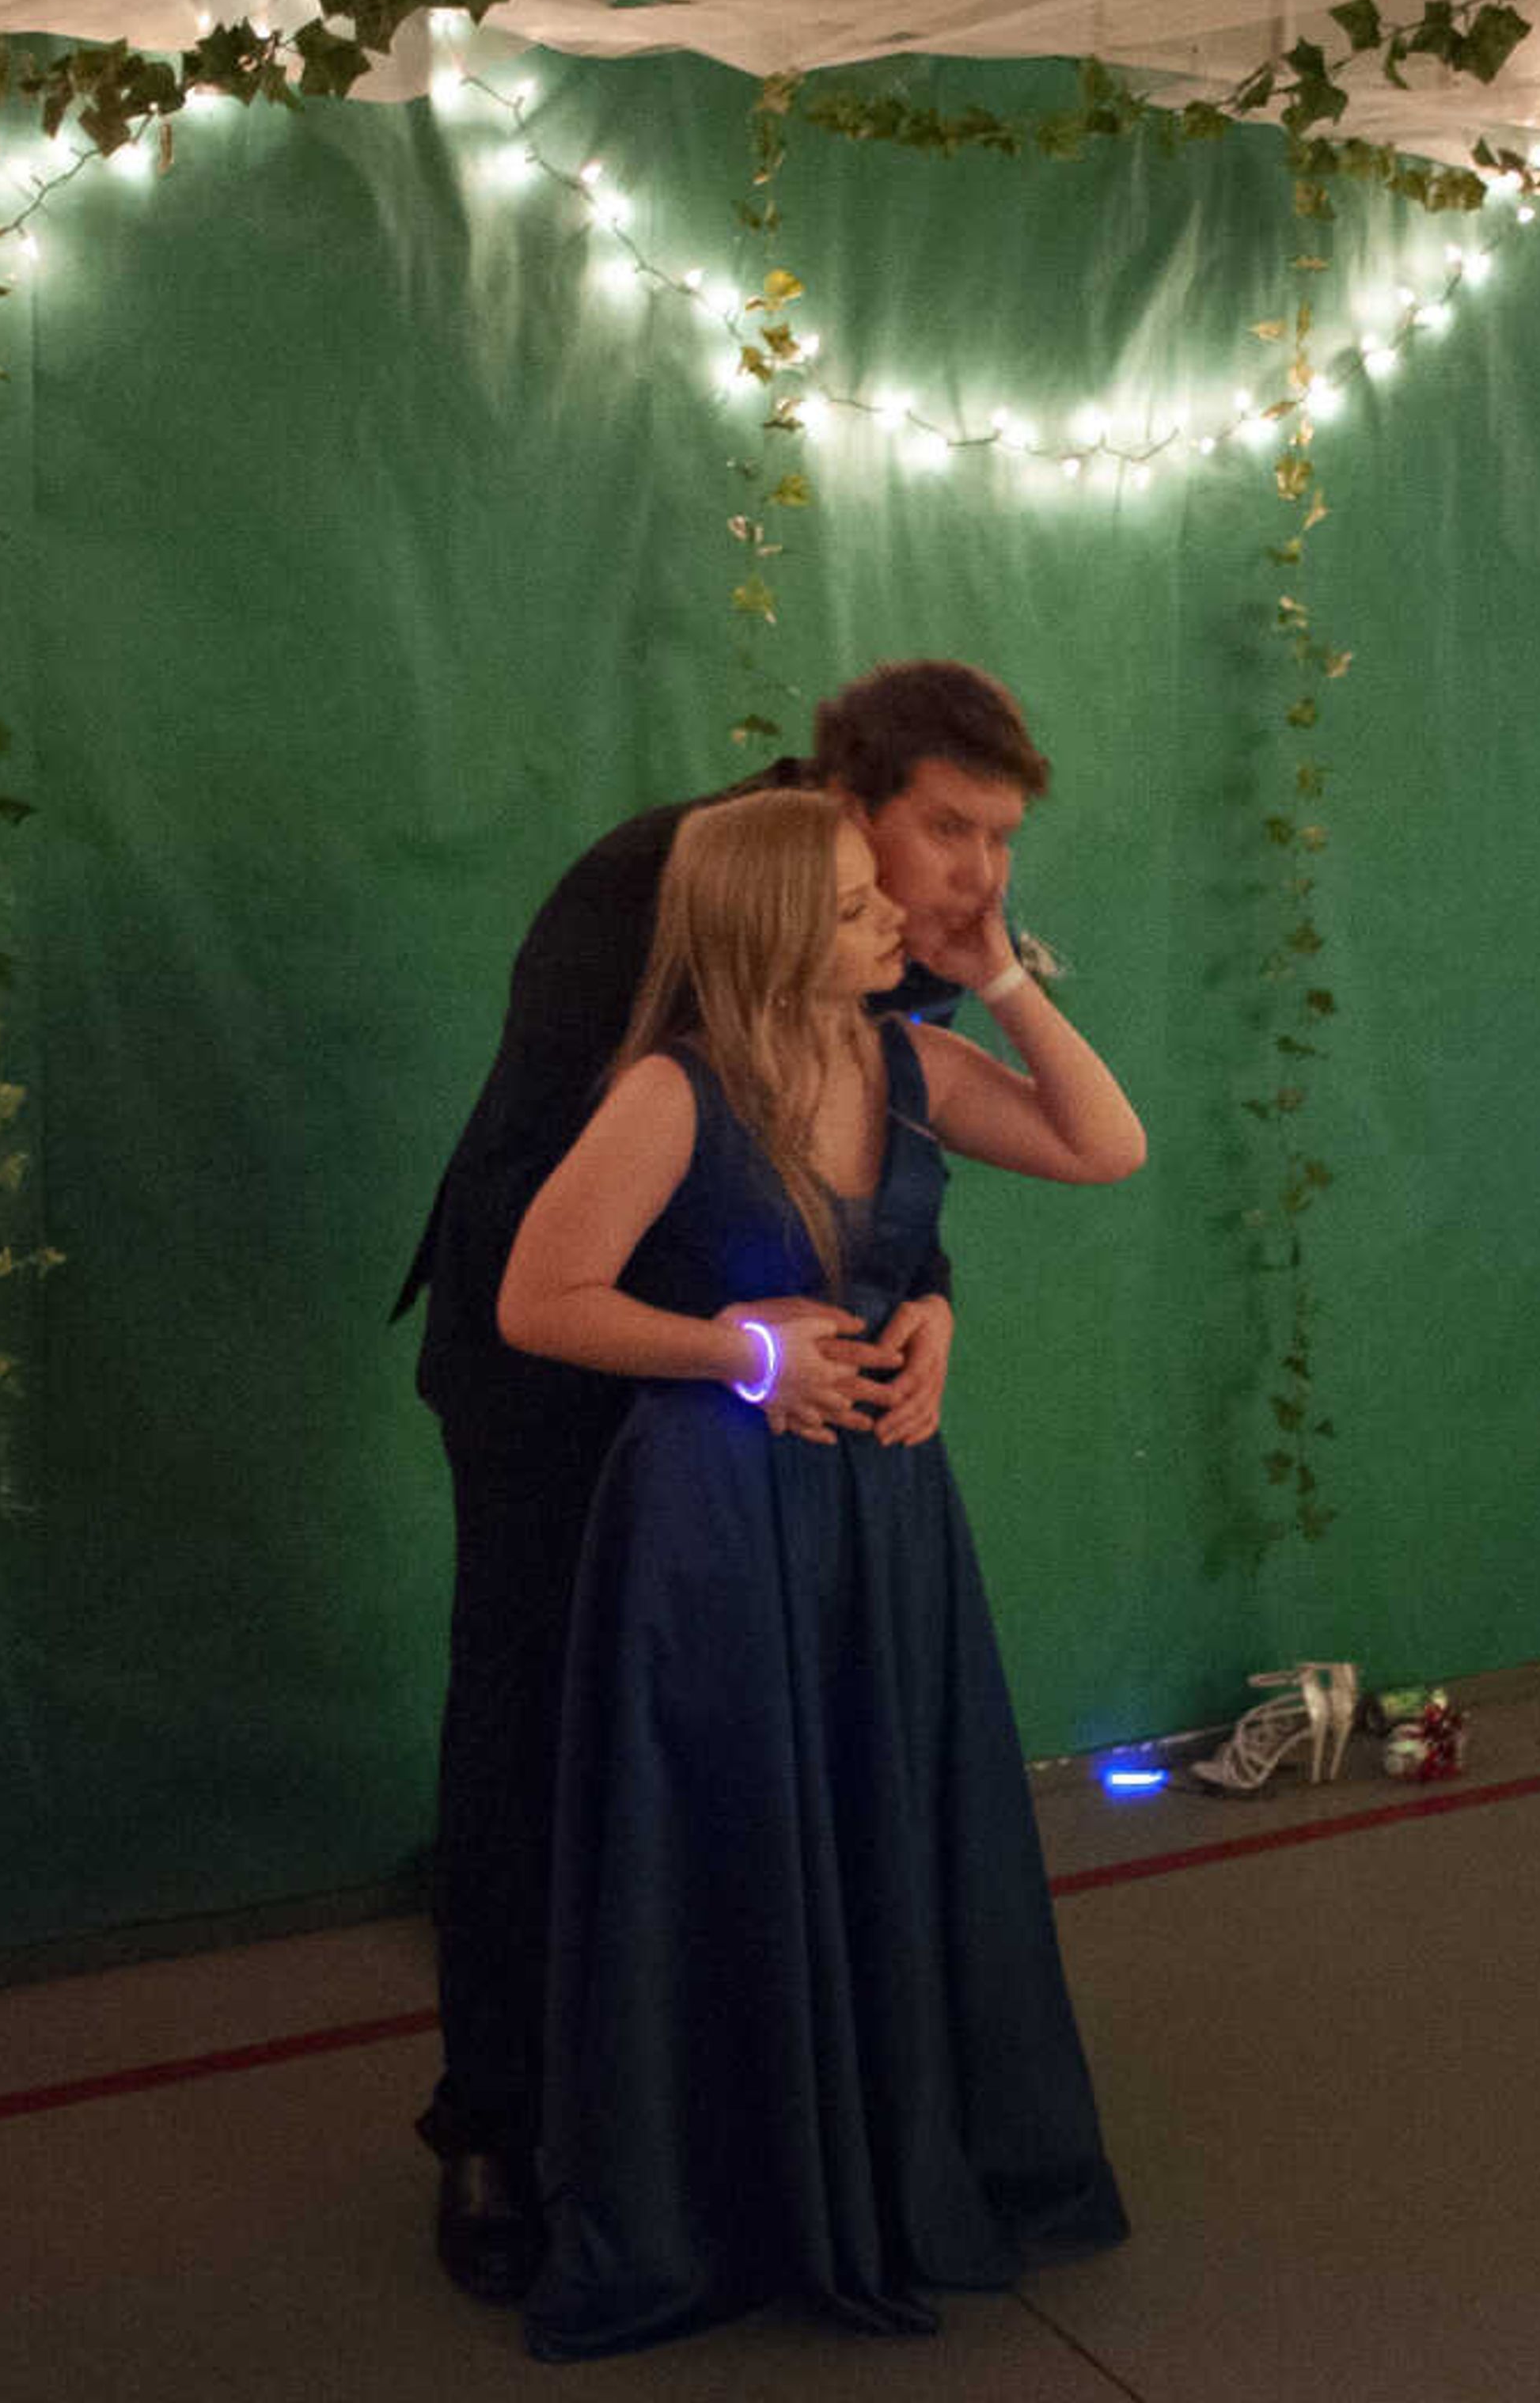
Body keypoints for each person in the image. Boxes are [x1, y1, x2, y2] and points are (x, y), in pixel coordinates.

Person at [393, 664, 1050, 2300]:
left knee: (772, 1734)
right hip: (556, 1378)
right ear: (856, 806)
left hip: (768, 1388)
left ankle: (753, 2113)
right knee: (534, 1720)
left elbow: (880, 1140)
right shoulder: (661, 887)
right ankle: (497, 2124)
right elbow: (561, 1207)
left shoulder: (896, 931)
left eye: (1001, 839)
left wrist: (933, 1305)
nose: (975, 880)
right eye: (948, 833)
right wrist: (724, 1345)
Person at [496, 785, 1144, 2356]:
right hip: (718, 1533)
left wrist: (998, 979)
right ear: (780, 922)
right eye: (862, 902)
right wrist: (738, 1352)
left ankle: (891, 2149)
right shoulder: (676, 1092)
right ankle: (741, 2193)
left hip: (884, 1517)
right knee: (741, 1836)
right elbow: (540, 1298)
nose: (895, 921)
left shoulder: (910, 1061)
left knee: (882, 1815)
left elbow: (1101, 1144)